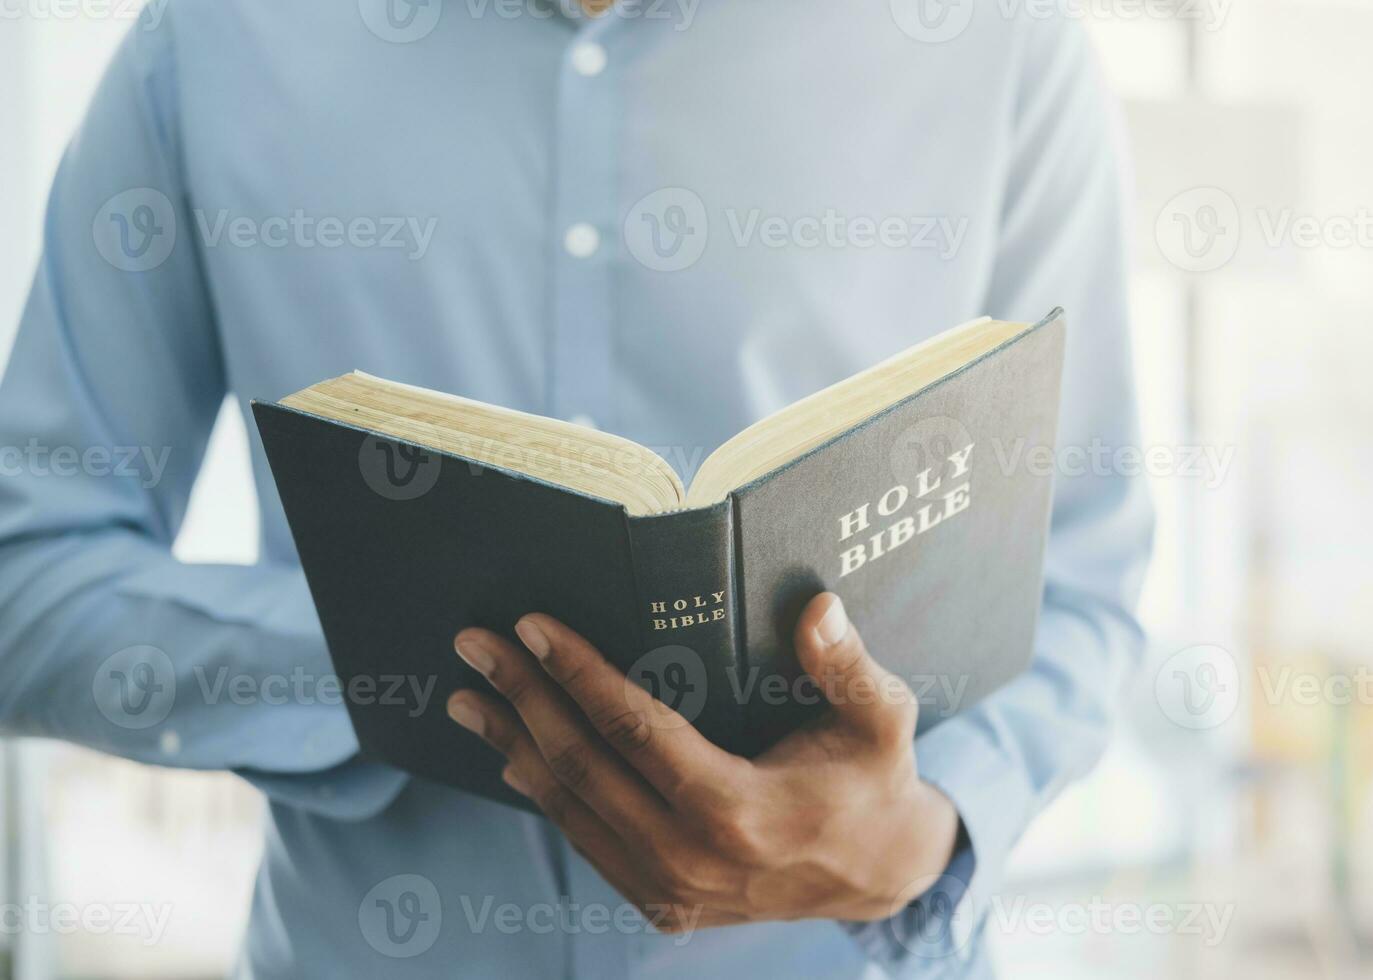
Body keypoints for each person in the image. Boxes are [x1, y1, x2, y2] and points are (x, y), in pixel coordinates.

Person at [0, 1, 1152, 976]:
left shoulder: (992, 39)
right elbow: (25, 569)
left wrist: (923, 840)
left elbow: (1084, 580)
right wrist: (395, 661)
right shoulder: (216, 37)